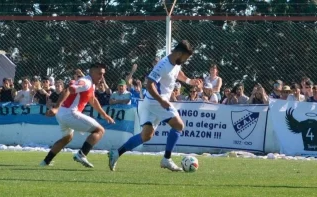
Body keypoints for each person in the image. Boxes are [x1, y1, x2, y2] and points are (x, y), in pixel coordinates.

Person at [108, 40, 201, 172]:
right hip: (156, 101)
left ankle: (116, 153)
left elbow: (177, 72)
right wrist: (161, 100)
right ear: (179, 53)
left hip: (150, 102)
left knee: (146, 136)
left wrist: (189, 81)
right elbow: (149, 84)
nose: (185, 61)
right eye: (185, 57)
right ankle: (166, 159)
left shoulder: (176, 62)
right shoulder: (163, 64)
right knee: (179, 125)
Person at [40, 63, 115, 168]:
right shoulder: (86, 82)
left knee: (67, 138)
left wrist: (105, 115)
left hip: (63, 113)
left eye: (103, 74)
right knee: (100, 130)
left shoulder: (91, 84)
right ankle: (81, 154)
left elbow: (93, 100)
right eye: (99, 74)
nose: (102, 77)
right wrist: (56, 107)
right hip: (69, 113)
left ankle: (45, 162)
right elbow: (67, 90)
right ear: (92, 72)